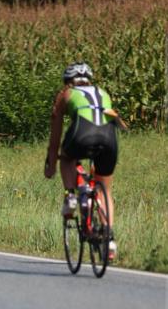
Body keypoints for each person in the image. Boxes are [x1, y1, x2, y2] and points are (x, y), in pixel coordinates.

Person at [44, 62, 123, 261]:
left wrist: (51, 164)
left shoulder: (66, 94)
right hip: (109, 139)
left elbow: (55, 136)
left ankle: (70, 195)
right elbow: (117, 122)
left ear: (68, 82)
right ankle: (109, 240)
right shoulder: (103, 92)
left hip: (82, 134)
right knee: (105, 190)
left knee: (67, 157)